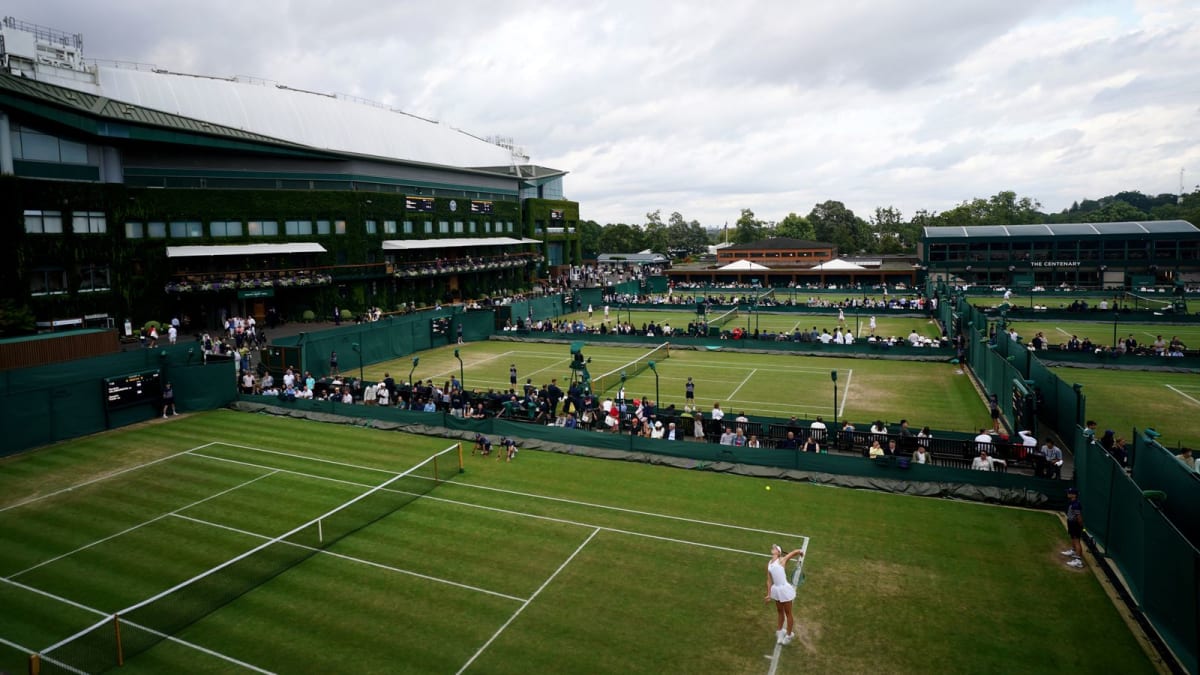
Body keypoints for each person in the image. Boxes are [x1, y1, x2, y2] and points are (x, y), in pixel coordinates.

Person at [764, 544, 804, 645]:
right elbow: (769, 581)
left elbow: (792, 553)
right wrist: (768, 594)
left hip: (784, 590)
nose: (772, 548)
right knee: (779, 611)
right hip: (776, 590)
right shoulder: (769, 564)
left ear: (778, 552)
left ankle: (789, 635)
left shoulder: (782, 560)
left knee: (788, 612)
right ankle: (780, 632)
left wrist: (800, 551)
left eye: (775, 548)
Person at [1062, 487, 1085, 568]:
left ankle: (1078, 561)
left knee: (1077, 541)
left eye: (1069, 492)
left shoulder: (1075, 504)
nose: (1067, 493)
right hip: (1071, 523)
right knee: (1073, 538)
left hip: (1075, 524)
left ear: (1074, 495)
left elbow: (1079, 517)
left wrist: (1081, 526)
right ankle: (1073, 550)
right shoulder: (1072, 502)